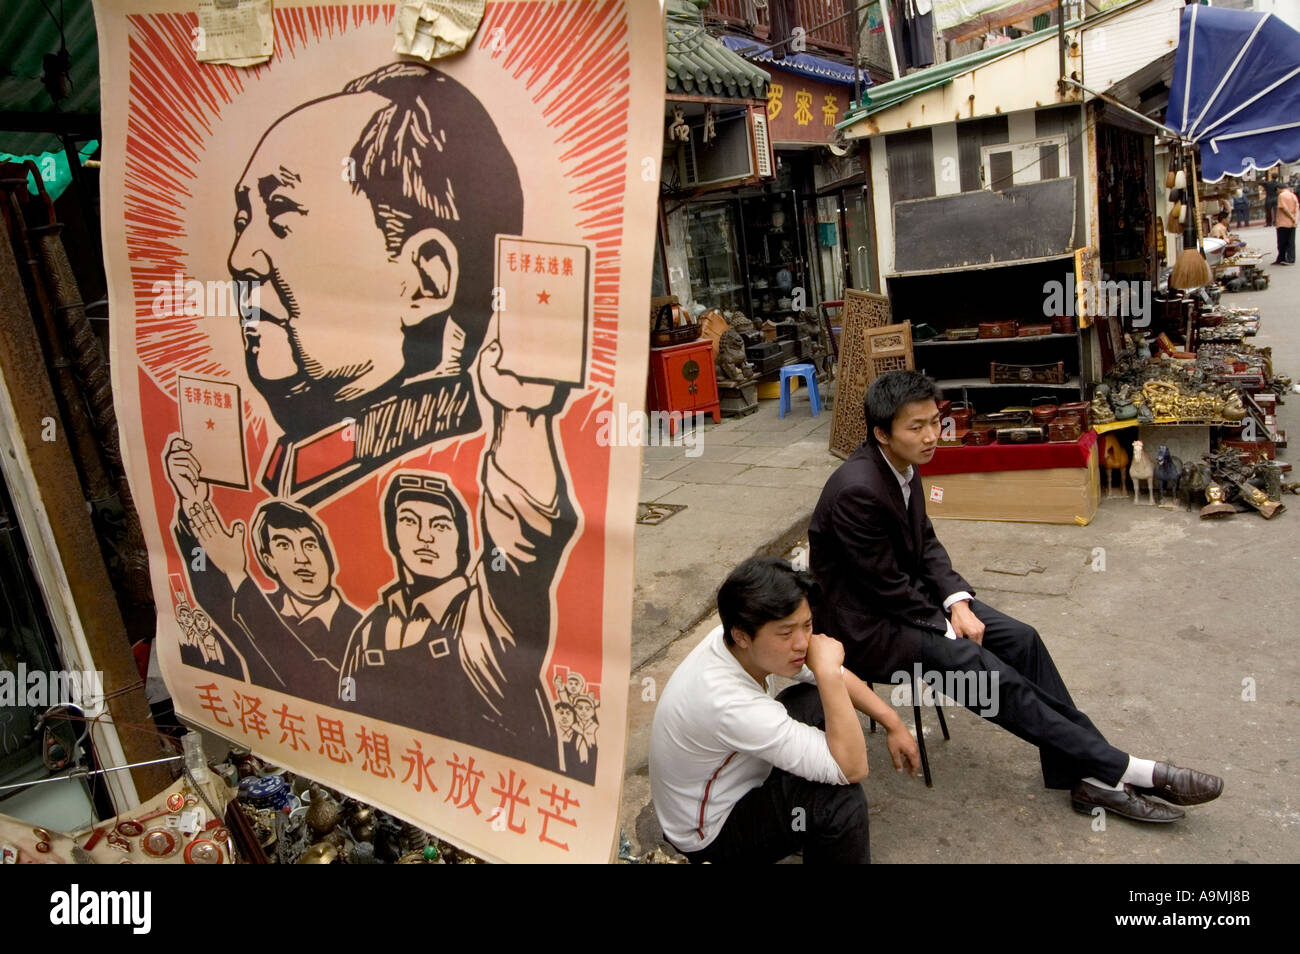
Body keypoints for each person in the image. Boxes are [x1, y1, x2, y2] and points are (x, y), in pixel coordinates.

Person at [808, 370, 1224, 824]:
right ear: (882, 434)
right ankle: (1125, 769)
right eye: (917, 427)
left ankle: (1083, 776)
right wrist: (949, 627)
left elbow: (926, 545)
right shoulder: (857, 490)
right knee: (981, 670)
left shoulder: (904, 464)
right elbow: (883, 585)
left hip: (910, 602)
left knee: (1022, 639)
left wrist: (958, 603)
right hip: (868, 626)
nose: (931, 436)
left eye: (934, 422)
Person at [229, 62, 523, 505]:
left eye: (280, 212)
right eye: (242, 219)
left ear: (427, 279)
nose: (239, 260)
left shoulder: (459, 474)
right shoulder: (313, 466)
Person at [336, 337, 578, 771]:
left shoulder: (487, 613)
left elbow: (521, 537)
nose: (424, 536)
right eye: (409, 521)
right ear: (393, 537)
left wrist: (519, 415)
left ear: (463, 543)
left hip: (501, 802)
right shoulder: (371, 630)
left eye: (441, 524)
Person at [649, 558, 922, 864]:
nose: (802, 643)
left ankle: (813, 839)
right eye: (786, 633)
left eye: (807, 625)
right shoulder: (728, 702)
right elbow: (853, 768)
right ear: (742, 635)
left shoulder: (735, 639)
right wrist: (829, 672)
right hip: (711, 835)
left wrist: (892, 721)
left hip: (734, 776)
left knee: (817, 697)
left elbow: (830, 677)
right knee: (837, 801)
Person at [1275, 184, 1297, 265]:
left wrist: (1291, 217)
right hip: (1292, 223)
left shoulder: (1281, 195)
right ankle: (1290, 258)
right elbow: (1297, 209)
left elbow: (1283, 208)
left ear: (1278, 189)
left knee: (1282, 242)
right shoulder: (1293, 195)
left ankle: (1282, 258)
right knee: (1291, 242)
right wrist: (1295, 220)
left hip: (1283, 222)